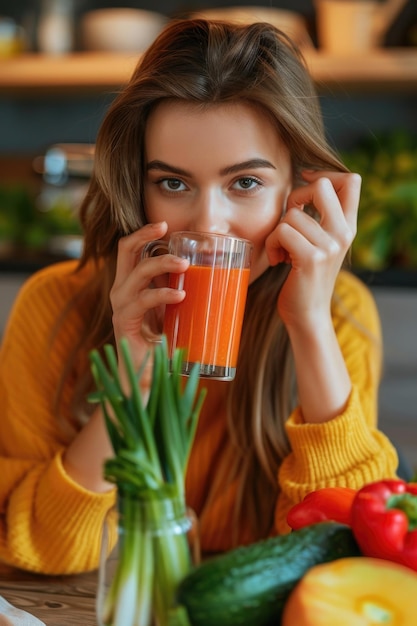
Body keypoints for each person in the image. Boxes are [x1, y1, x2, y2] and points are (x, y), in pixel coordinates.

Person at [0, 18, 398, 575]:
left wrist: (308, 323)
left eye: (246, 183)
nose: (210, 226)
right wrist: (131, 384)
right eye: (173, 183)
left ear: (298, 190)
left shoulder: (340, 315)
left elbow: (344, 557)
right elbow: (45, 550)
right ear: (137, 187)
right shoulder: (55, 305)